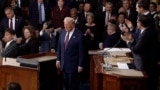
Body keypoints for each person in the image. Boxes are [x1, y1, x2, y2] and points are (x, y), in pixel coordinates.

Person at [121, 15, 159, 90]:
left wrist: (127, 41)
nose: (136, 22)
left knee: (146, 85)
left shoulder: (146, 34)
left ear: (141, 23)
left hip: (147, 63)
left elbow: (136, 49)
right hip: (145, 62)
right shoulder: (146, 31)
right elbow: (139, 44)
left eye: (137, 21)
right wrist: (131, 40)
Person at [56, 17, 85, 90]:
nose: (65, 26)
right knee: (65, 84)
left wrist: (80, 65)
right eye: (64, 24)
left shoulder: (79, 35)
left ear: (73, 25)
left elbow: (81, 52)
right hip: (63, 64)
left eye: (67, 25)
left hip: (73, 65)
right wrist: (58, 59)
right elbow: (59, 47)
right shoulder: (62, 32)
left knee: (73, 84)